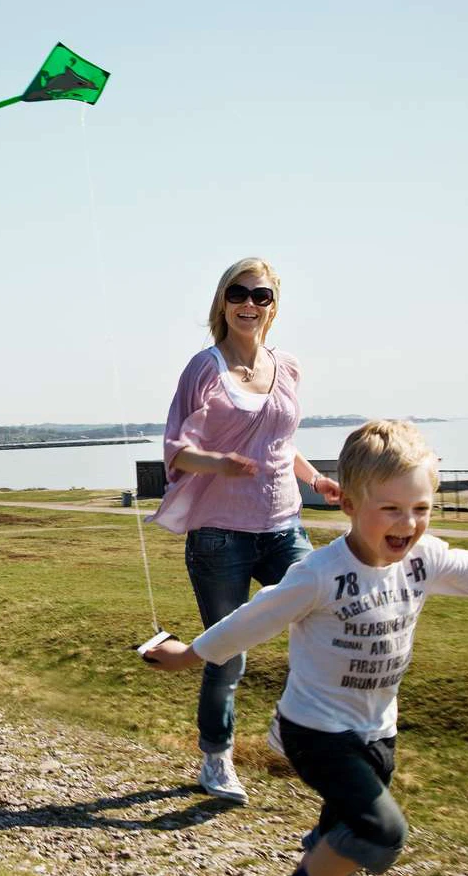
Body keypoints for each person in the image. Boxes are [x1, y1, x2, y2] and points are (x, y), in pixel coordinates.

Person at [144, 421, 468, 876]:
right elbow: (254, 619)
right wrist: (188, 654)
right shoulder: (319, 574)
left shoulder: (422, 559)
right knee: (382, 832)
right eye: (390, 509)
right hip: (315, 732)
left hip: (378, 730)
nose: (408, 524)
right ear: (350, 505)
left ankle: (319, 864)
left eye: (420, 509)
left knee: (341, 835)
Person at [152, 257, 342, 803]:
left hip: (283, 523)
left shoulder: (288, 367)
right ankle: (217, 760)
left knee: (326, 614)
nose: (249, 304)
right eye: (239, 293)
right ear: (222, 301)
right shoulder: (203, 369)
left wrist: (316, 480)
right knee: (226, 652)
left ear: (273, 307)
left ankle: (293, 725)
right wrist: (220, 464)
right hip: (220, 534)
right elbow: (177, 451)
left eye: (260, 296)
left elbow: (281, 441)